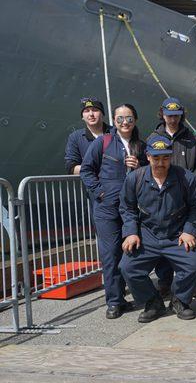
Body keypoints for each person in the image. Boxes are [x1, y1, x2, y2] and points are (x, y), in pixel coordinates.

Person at [119, 136, 196, 323]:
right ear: (148, 156)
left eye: (165, 158)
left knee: (195, 265)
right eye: (156, 158)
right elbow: (127, 208)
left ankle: (179, 300)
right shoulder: (135, 178)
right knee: (127, 267)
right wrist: (131, 232)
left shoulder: (186, 178)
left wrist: (189, 230)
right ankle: (153, 303)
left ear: (171, 157)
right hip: (147, 235)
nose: (161, 163)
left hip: (176, 235)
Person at [80, 103, 147, 319]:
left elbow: (151, 173)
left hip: (132, 207)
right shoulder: (103, 142)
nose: (124, 123)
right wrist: (99, 193)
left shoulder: (142, 147)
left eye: (128, 118)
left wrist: (139, 167)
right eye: (119, 119)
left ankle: (141, 295)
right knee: (110, 255)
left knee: (134, 252)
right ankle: (115, 301)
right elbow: (87, 170)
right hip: (107, 208)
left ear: (135, 120)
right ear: (114, 122)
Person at [147, 97, 196, 298]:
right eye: (169, 115)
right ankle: (165, 282)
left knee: (190, 239)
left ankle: (190, 282)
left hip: (187, 195)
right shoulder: (154, 137)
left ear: (181, 116)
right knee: (164, 238)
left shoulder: (191, 138)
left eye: (176, 116)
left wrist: (193, 178)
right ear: (162, 115)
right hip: (163, 195)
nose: (173, 119)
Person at [64, 97, 110, 175]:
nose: (91, 114)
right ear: (82, 116)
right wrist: (97, 169)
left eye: (95, 110)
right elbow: (71, 167)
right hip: (91, 185)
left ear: (102, 114)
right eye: (86, 111)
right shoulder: (75, 137)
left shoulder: (116, 133)